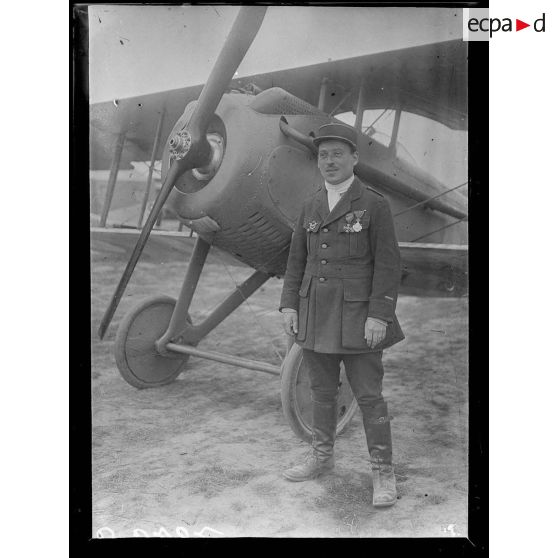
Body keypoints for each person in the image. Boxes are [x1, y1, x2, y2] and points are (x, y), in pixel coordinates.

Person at [279, 122, 405, 507]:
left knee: (369, 396)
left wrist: (379, 316)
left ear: (354, 158)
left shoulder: (373, 204)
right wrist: (289, 304)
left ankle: (382, 470)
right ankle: (321, 456)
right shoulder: (311, 205)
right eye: (323, 155)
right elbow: (296, 259)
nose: (329, 161)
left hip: (358, 317)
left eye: (337, 154)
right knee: (321, 391)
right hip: (315, 312)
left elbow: (388, 264)